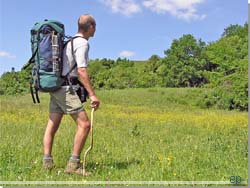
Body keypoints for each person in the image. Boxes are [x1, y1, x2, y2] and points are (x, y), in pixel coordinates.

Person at [42, 14, 100, 175]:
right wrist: (92, 95)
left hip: (56, 87)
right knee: (85, 125)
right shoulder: (82, 43)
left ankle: (47, 163)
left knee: (52, 125)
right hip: (66, 89)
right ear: (91, 27)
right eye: (95, 26)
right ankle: (73, 165)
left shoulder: (69, 41)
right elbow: (81, 70)